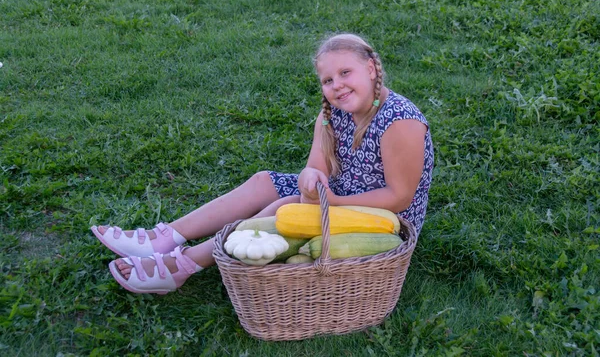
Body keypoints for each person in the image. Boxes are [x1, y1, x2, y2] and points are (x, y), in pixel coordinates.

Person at [91, 33, 434, 294]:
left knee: (284, 206)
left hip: (386, 220)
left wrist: (329, 203)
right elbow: (316, 167)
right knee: (263, 182)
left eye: (346, 72)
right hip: (343, 194)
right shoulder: (333, 114)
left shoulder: (399, 121)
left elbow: (399, 197)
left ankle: (183, 265)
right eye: (328, 80)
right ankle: (164, 238)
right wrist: (311, 180)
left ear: (371, 68)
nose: (337, 86)